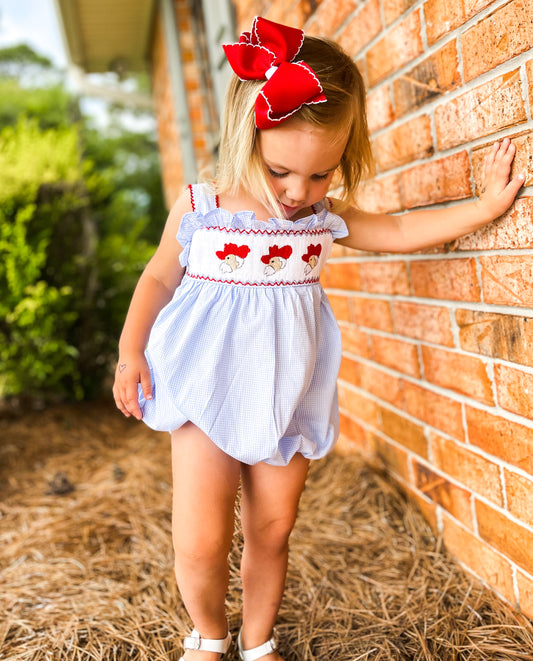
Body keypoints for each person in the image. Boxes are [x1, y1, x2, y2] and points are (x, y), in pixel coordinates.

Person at [113, 16, 524, 661]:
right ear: (245, 135)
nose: (299, 194)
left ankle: (256, 641)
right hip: (203, 390)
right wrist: (130, 351)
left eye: (320, 176)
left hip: (285, 395)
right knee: (201, 538)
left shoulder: (320, 221)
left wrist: (483, 209)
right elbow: (158, 277)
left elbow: (395, 231)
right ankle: (207, 636)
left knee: (273, 528)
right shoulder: (201, 206)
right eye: (281, 172)